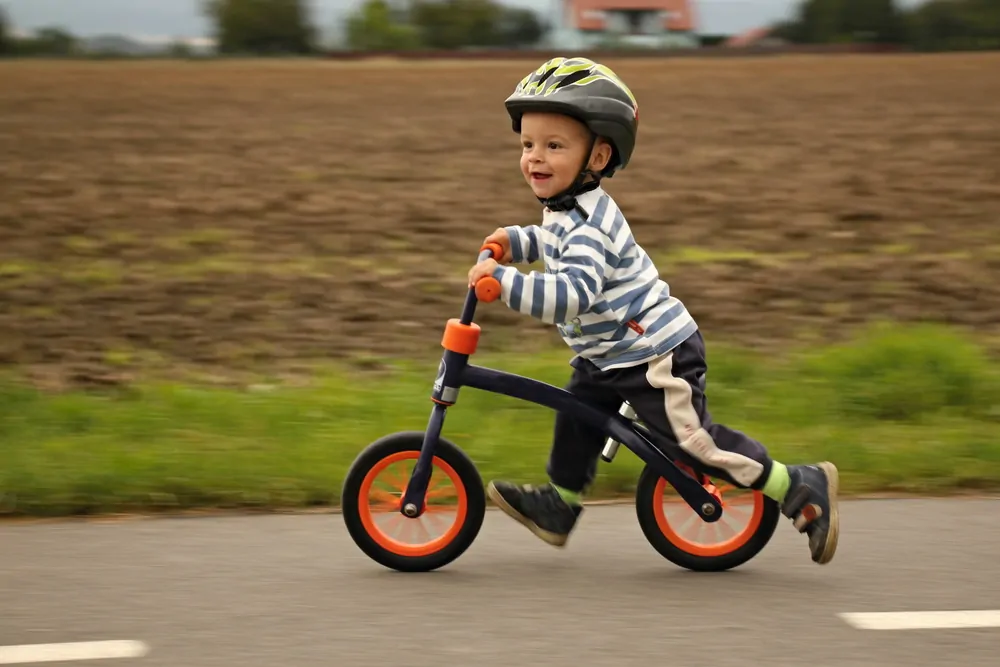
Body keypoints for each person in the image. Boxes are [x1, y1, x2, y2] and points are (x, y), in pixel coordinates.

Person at [466, 56, 840, 565]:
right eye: (528, 144)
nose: (535, 157)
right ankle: (562, 504)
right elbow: (553, 241)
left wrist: (503, 283)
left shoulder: (591, 226)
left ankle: (798, 484)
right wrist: (516, 241)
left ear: (598, 156)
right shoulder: (567, 209)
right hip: (610, 351)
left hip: (654, 353)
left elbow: (571, 292)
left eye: (554, 146)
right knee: (577, 416)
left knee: (696, 445)